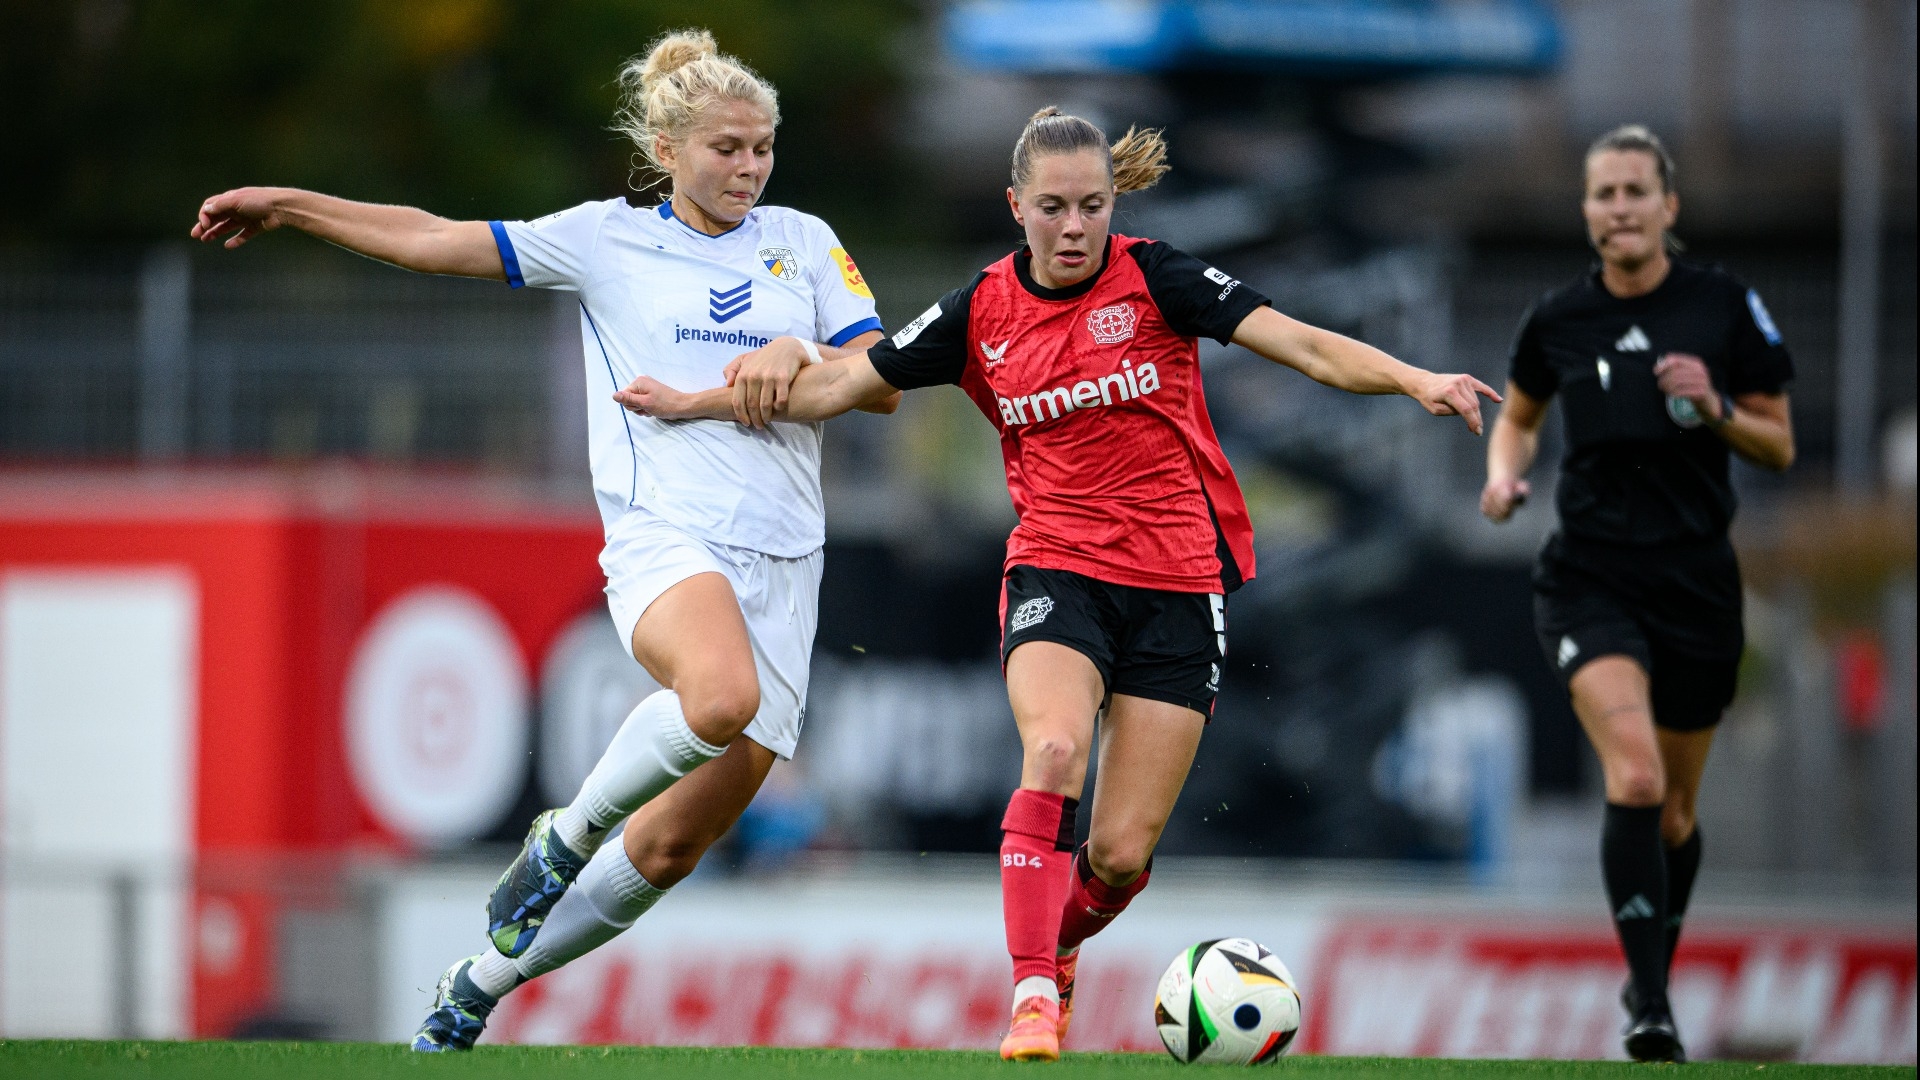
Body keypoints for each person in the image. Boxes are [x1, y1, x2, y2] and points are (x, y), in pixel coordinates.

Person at [620, 106, 1498, 1062]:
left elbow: (1307, 345)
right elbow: (838, 384)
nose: (1075, 227)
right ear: (1016, 207)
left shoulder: (1161, 276)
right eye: (1053, 207)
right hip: (1056, 570)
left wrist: (1416, 378)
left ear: (1112, 202)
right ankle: (1034, 995)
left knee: (1119, 859)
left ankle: (1059, 942)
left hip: (1177, 585)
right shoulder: (976, 312)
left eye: (1091, 206)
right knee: (1051, 750)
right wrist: (693, 400)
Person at [191, 29, 896, 1051]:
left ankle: (476, 984)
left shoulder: (804, 238)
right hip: (668, 539)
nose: (748, 169)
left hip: (789, 561)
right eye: (726, 148)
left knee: (664, 851)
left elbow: (873, 379)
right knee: (717, 698)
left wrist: (798, 348)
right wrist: (291, 204)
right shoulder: (605, 239)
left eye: (762, 148)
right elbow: (436, 237)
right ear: (667, 146)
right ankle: (560, 840)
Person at [1479, 125, 1795, 1063]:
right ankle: (1650, 1004)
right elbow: (1519, 418)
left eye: (1633, 191)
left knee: (1675, 815)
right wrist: (1503, 478)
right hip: (1589, 580)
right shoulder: (1556, 319)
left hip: (1696, 584)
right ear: (1585, 210)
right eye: (1603, 192)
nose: (1618, 207)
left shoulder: (1725, 307)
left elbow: (1779, 440)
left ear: (1669, 207)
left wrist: (1717, 407)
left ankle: (1647, 968)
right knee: (1637, 774)